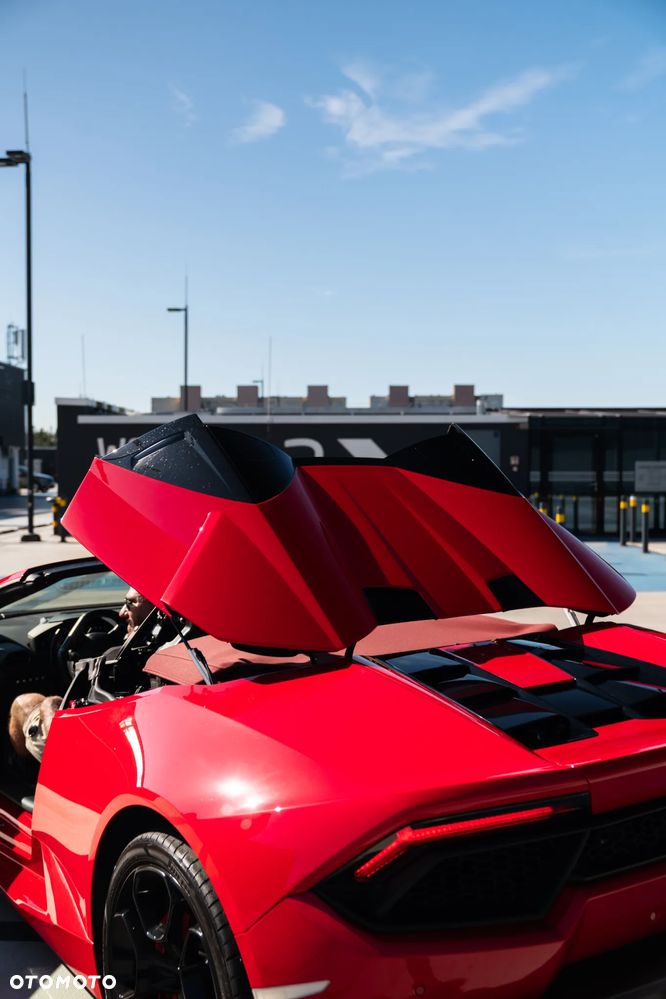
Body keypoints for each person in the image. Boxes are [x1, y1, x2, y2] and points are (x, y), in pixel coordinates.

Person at [8, 588, 153, 764]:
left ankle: (28, 771)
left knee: (23, 703)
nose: (121, 613)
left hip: (95, 755)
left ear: (154, 610)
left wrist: (51, 704)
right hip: (127, 746)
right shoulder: (174, 646)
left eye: (130, 603)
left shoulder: (136, 659)